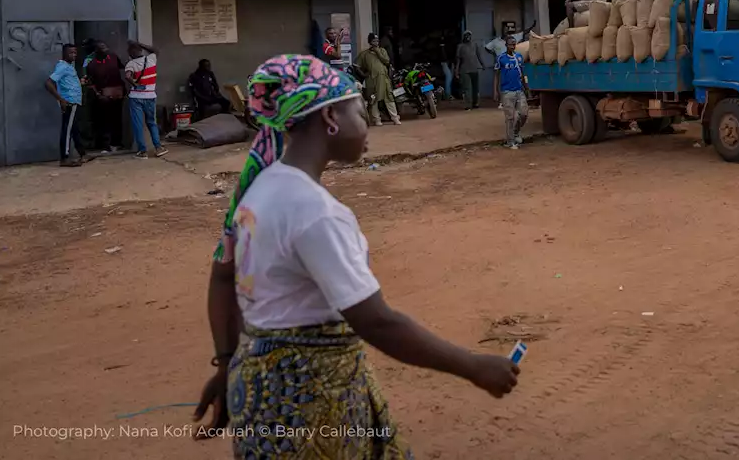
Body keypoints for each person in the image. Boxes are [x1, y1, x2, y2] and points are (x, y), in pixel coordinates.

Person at [191, 55, 519, 453]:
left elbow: (222, 276)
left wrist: (226, 363)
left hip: (258, 384)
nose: (367, 128)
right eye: (360, 113)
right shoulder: (314, 212)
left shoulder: (259, 190)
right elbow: (376, 321)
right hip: (310, 396)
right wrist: (473, 367)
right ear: (330, 116)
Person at [46, 43, 88, 167]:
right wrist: (61, 99)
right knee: (68, 130)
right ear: (64, 54)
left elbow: (67, 82)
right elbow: (48, 83)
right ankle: (64, 158)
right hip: (69, 102)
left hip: (73, 102)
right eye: (71, 53)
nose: (74, 55)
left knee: (74, 129)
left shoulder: (69, 66)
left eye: (75, 52)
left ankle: (83, 153)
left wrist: (81, 82)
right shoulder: (62, 67)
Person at [125, 39, 167, 159]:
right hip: (150, 96)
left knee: (138, 125)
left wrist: (135, 85)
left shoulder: (131, 64)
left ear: (132, 52)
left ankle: (142, 152)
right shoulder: (151, 59)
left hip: (136, 98)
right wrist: (141, 44)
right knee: (152, 123)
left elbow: (127, 76)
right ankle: (158, 148)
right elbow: (155, 50)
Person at [85, 40, 126, 153]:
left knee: (117, 119)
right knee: (104, 121)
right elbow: (90, 82)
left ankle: (117, 143)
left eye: (105, 47)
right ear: (96, 51)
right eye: (102, 48)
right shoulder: (92, 65)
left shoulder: (113, 57)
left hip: (117, 94)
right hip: (103, 97)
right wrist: (98, 95)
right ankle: (105, 145)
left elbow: (122, 69)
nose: (105, 49)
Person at [494, 36, 530, 149]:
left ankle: (515, 133)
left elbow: (523, 74)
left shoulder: (519, 57)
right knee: (511, 118)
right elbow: (496, 76)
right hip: (507, 92)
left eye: (514, 44)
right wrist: (495, 91)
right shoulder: (501, 58)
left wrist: (527, 88)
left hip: (519, 90)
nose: (512, 46)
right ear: (506, 45)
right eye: (510, 44)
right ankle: (510, 142)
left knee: (523, 114)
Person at [357, 33, 401, 126]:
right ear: (370, 42)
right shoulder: (364, 54)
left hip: (384, 79)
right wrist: (363, 74)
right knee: (373, 99)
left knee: (389, 98)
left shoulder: (382, 51)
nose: (376, 43)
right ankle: (377, 119)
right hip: (372, 80)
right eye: (373, 41)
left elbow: (386, 61)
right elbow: (356, 66)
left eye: (377, 41)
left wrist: (378, 52)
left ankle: (395, 118)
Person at [455, 31, 484, 110]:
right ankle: (468, 105)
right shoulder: (460, 46)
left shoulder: (475, 45)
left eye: (469, 35)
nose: (468, 37)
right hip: (465, 70)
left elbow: (479, 56)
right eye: (466, 35)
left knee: (476, 88)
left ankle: (475, 103)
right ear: (463, 37)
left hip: (474, 69)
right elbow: (458, 60)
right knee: (467, 88)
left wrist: (482, 64)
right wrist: (456, 71)